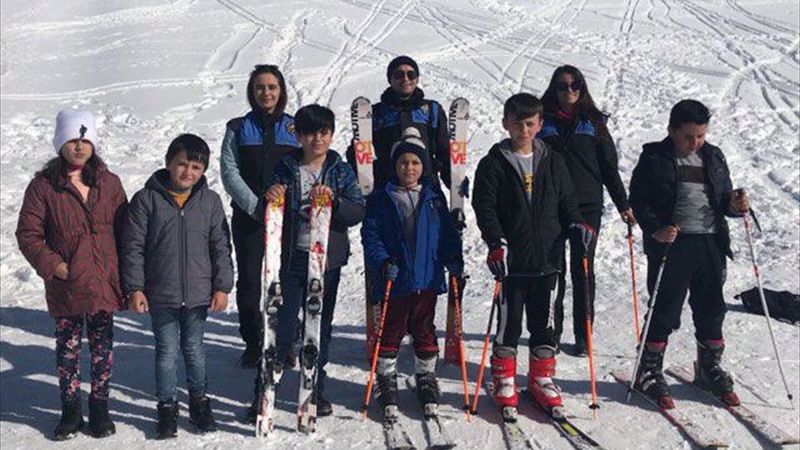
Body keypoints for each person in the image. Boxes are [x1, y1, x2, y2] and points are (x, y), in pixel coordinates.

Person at [472, 93, 592, 421]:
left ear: (540, 125)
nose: (523, 130)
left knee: (544, 323)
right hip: (512, 263)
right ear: (505, 124)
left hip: (548, 260)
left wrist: (576, 223)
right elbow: (485, 207)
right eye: (517, 124)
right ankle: (504, 378)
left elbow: (567, 200)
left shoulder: (553, 160)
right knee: (509, 323)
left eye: (529, 124)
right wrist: (495, 242)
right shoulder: (494, 162)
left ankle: (541, 378)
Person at [628, 99, 749, 409]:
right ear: (672, 130)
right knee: (665, 307)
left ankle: (709, 367)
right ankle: (648, 369)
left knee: (711, 307)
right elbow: (639, 201)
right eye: (688, 136)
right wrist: (655, 229)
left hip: (710, 242)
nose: (695, 142)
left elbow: (723, 198)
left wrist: (735, 205)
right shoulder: (655, 157)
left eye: (701, 136)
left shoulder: (713, 156)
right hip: (673, 244)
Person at [16, 109, 127, 440]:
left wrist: (126, 271)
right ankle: (70, 410)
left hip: (103, 281)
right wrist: (54, 266)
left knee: (103, 348)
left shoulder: (109, 182)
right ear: (60, 143)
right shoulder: (43, 186)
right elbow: (29, 234)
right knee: (68, 350)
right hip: (67, 284)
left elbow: (126, 230)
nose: (79, 146)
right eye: (72, 140)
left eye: (85, 140)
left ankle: (100, 408)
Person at [249, 104, 365, 420]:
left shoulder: (339, 169)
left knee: (319, 327)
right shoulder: (287, 167)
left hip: (326, 262)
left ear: (331, 134)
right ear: (298, 136)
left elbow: (357, 210)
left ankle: (315, 389)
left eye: (323, 132)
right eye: (310, 133)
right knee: (280, 326)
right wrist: (271, 196)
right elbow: (266, 207)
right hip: (291, 260)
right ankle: (263, 391)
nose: (317, 139)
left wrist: (335, 202)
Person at [121, 134, 234, 439]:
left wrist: (222, 286)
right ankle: (167, 407)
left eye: (196, 167)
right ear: (169, 163)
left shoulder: (210, 202)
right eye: (182, 164)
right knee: (167, 351)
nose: (188, 172)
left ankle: (199, 403)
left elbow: (221, 246)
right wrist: (135, 288)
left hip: (198, 293)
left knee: (195, 349)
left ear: (204, 170)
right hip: (162, 293)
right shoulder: (147, 200)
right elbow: (133, 247)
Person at [360, 139, 463, 419]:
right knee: (391, 329)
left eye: (415, 162)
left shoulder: (433, 197)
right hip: (396, 277)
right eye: (404, 162)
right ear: (394, 165)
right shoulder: (383, 197)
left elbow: (446, 233)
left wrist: (453, 258)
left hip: (426, 277)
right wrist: (383, 261)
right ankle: (386, 378)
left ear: (423, 166)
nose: (409, 168)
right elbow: (371, 234)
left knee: (424, 328)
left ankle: (426, 376)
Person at [539, 65, 635, 356]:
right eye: (562, 85)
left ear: (582, 87)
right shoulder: (542, 121)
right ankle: (551, 332)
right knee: (553, 269)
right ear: (554, 89)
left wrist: (623, 205)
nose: (569, 90)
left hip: (587, 206)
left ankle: (584, 335)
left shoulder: (594, 122)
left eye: (574, 84)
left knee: (583, 269)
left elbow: (609, 167)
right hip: (552, 205)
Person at [220, 64, 301, 368]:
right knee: (251, 282)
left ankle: (284, 341)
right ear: (252, 91)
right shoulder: (238, 128)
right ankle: (254, 342)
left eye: (272, 87)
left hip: (286, 218)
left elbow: (304, 166)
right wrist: (254, 206)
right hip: (250, 217)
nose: (266, 93)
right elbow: (229, 171)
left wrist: (286, 201)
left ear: (281, 91)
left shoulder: (294, 128)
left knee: (286, 280)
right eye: (260, 87)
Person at [346, 55, 451, 191]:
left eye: (411, 75)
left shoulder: (432, 110)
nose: (406, 79)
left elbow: (444, 151)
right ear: (390, 79)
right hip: (386, 187)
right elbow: (359, 151)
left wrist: (453, 180)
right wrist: (359, 178)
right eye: (399, 75)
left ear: (417, 79)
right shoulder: (375, 113)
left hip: (426, 187)